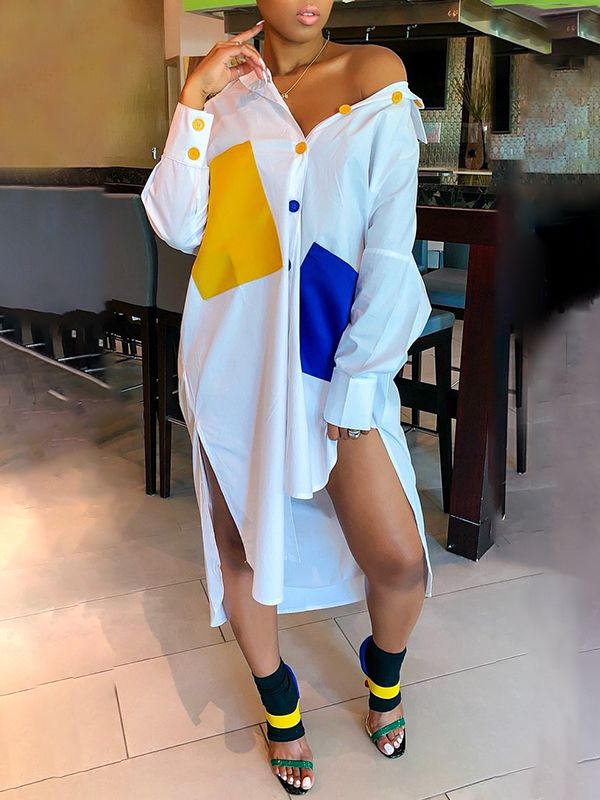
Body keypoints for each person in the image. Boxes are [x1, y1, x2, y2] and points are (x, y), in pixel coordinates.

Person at [141, 1, 433, 794]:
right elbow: (179, 225)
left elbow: (390, 246)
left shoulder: (374, 75)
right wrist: (194, 98)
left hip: (334, 363)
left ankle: (383, 675)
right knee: (241, 550)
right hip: (233, 361)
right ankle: (280, 707)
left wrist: (361, 380)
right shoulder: (226, 91)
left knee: (399, 559)